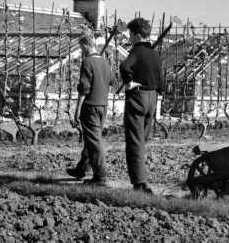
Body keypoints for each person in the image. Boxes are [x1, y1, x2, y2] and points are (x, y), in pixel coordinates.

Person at [120, 18, 164, 194]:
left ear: (137, 35)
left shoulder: (136, 51)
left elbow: (124, 66)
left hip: (137, 98)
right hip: (152, 100)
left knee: (134, 142)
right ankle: (140, 181)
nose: (129, 39)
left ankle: (140, 184)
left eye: (130, 35)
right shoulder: (155, 55)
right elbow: (161, 83)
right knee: (142, 141)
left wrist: (129, 82)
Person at [66, 31, 114, 186]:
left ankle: (100, 177)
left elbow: (83, 89)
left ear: (86, 45)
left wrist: (77, 108)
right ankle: (82, 168)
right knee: (91, 138)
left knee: (94, 141)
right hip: (103, 106)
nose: (82, 51)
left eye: (81, 48)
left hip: (91, 106)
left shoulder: (87, 62)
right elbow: (112, 81)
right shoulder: (105, 62)